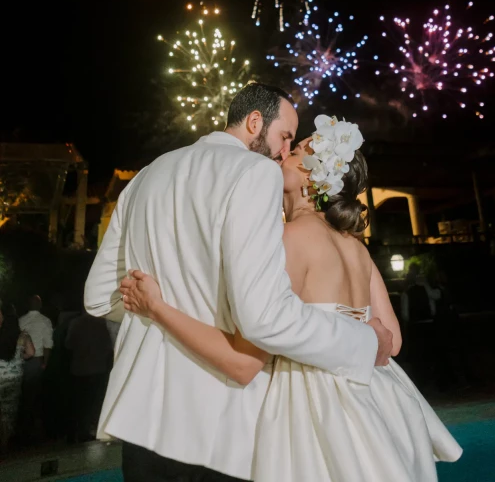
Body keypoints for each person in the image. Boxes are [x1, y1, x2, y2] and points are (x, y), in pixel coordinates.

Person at [122, 115, 462, 482]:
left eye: (296, 151)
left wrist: (156, 307)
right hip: (380, 400)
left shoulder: (289, 239)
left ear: (314, 176)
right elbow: (391, 341)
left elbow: (244, 357)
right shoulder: (355, 247)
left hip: (315, 406)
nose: (283, 152)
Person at [85, 83, 392, 482]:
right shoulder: (255, 172)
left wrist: (153, 306)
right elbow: (264, 319)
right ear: (254, 122)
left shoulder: (145, 177)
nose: (286, 151)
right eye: (285, 137)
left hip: (141, 418)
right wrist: (363, 341)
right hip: (219, 419)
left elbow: (97, 297)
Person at [65, 312, 113, 442]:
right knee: (95, 402)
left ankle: (78, 431)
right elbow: (109, 346)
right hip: (98, 367)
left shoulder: (75, 323)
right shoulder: (101, 324)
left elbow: (68, 344)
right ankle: (92, 430)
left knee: (80, 402)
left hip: (79, 368)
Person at [18, 294, 53, 443]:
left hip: (23, 360)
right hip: (37, 361)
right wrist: (45, 362)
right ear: (40, 305)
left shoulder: (21, 320)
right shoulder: (45, 321)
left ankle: (25, 430)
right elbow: (48, 345)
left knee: (25, 396)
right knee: (38, 395)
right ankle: (38, 431)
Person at [0, 303, 34, 450]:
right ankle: (4, 443)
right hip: (13, 379)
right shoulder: (23, 336)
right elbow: (31, 353)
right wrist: (20, 358)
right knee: (9, 412)